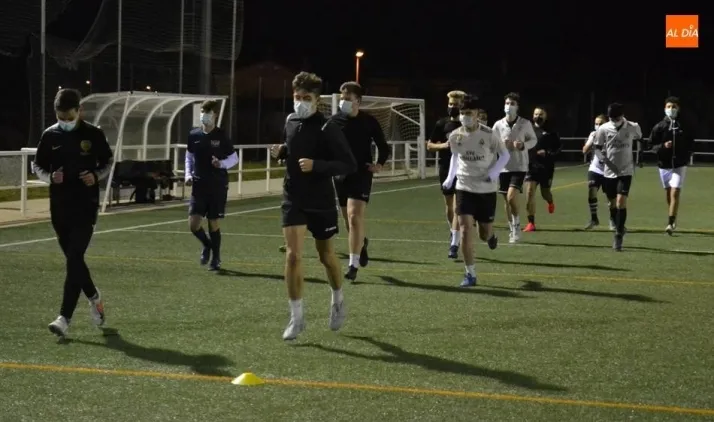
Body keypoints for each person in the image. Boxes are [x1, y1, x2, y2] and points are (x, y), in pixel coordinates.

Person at [270, 71, 357, 341]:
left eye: (306, 98)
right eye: (297, 97)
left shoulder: (327, 127)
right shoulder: (290, 121)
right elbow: (293, 147)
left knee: (326, 257)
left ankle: (338, 299)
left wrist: (316, 165)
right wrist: (282, 152)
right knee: (293, 256)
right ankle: (296, 318)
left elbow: (348, 164)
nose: (300, 103)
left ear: (317, 100)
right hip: (293, 197)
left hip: (320, 200)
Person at [31, 88, 113, 338]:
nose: (65, 122)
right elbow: (37, 165)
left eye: (69, 117)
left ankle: (64, 318)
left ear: (80, 111)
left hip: (85, 206)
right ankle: (94, 296)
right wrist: (50, 177)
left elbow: (108, 162)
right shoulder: (50, 135)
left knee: (74, 258)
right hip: (59, 207)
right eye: (60, 118)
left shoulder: (93, 134)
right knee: (74, 260)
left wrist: (95, 175)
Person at [441, 95, 510, 286]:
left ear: (477, 114)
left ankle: (491, 235)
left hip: (486, 190)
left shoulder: (489, 134)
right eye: (463, 113)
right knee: (464, 229)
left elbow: (505, 155)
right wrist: (450, 178)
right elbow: (456, 157)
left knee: (483, 234)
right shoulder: (455, 135)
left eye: (469, 113)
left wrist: (494, 173)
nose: (465, 116)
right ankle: (470, 274)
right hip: (464, 187)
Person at [330, 81, 390, 281]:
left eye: (348, 98)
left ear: (358, 101)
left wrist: (379, 164)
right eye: (342, 98)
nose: (344, 102)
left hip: (361, 174)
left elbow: (383, 146)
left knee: (355, 216)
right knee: (348, 221)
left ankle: (352, 265)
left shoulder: (369, 121)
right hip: (340, 175)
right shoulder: (334, 121)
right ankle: (361, 243)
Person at [185, 100, 238, 271]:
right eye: (203, 111)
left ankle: (216, 258)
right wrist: (188, 174)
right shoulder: (194, 135)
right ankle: (207, 245)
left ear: (215, 115)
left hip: (217, 185)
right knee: (193, 224)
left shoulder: (221, 135)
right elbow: (189, 157)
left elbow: (234, 158)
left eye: (208, 112)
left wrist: (221, 164)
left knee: (213, 221)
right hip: (199, 185)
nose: (204, 115)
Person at [592, 103, 642, 251]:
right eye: (611, 118)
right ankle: (617, 223)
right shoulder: (603, 128)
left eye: (616, 118)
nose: (614, 120)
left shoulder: (633, 126)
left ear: (622, 115)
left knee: (621, 202)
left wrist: (640, 157)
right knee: (612, 204)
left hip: (626, 171)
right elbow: (597, 148)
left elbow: (640, 139)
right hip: (609, 172)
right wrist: (603, 159)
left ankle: (618, 235)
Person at [491, 92, 537, 243]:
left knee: (511, 197)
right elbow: (491, 144)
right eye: (507, 103)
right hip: (503, 167)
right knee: (507, 200)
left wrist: (523, 145)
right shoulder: (498, 125)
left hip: (519, 166)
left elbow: (533, 140)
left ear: (517, 107)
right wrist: (501, 145)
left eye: (512, 104)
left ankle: (517, 226)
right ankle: (512, 227)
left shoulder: (525, 123)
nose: (509, 106)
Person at [426, 90, 465, 258]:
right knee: (449, 206)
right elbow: (429, 145)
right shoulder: (442, 124)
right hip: (445, 167)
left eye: (456, 104)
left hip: (464, 168)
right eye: (450, 104)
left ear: (462, 105)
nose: (452, 107)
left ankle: (454, 243)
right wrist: (444, 145)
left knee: (457, 206)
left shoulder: (467, 123)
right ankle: (453, 231)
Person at [648, 96, 694, 235]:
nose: (671, 109)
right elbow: (650, 145)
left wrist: (686, 154)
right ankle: (673, 216)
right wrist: (663, 146)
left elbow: (690, 142)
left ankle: (670, 223)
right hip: (664, 165)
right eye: (668, 106)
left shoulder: (684, 125)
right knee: (669, 194)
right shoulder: (659, 126)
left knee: (675, 192)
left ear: (678, 108)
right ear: (664, 109)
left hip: (679, 164)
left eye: (674, 107)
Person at [523, 107, 561, 231]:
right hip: (531, 166)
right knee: (529, 192)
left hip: (546, 168)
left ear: (545, 116)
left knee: (545, 193)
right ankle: (531, 222)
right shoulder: (527, 130)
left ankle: (550, 202)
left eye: (541, 114)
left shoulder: (552, 132)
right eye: (536, 114)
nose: (538, 116)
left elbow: (558, 149)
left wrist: (548, 153)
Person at [582, 114, 614, 230]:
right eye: (596, 124)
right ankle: (594, 219)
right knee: (592, 191)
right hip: (595, 169)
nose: (598, 126)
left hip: (609, 170)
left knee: (611, 198)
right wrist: (592, 141)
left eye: (601, 123)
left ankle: (613, 220)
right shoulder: (593, 134)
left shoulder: (612, 134)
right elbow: (584, 150)